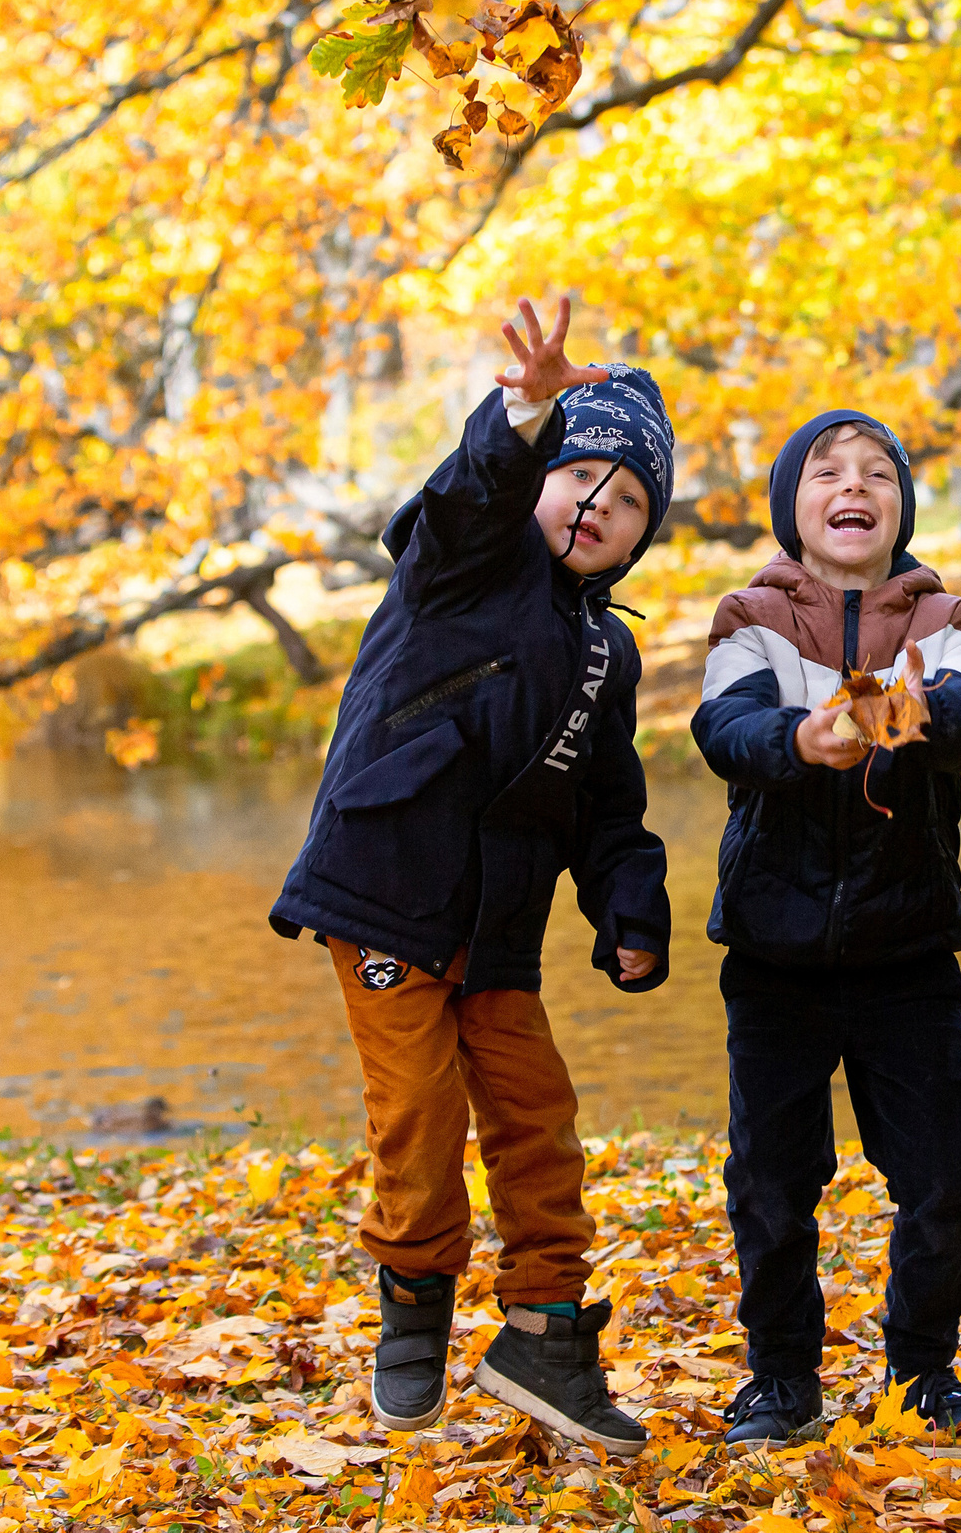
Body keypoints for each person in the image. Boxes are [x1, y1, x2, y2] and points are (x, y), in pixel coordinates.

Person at [269, 295, 678, 1454]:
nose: (598, 507)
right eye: (583, 478)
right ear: (542, 478)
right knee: (419, 1115)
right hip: (387, 890)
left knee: (539, 1121)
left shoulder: (609, 646)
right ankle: (415, 1307)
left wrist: (628, 905)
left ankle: (546, 1331)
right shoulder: (462, 564)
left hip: (497, 930)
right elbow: (469, 496)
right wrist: (523, 417)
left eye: (631, 501)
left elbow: (609, 807)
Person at [690, 411, 961, 1446]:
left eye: (878, 473)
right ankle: (781, 1377)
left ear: (897, 510)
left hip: (907, 950)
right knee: (772, 1184)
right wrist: (803, 736)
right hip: (774, 951)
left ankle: (920, 1370)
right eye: (828, 473)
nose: (854, 485)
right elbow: (725, 732)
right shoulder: (751, 616)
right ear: (795, 507)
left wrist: (920, 709)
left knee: (940, 1182)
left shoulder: (942, 614)